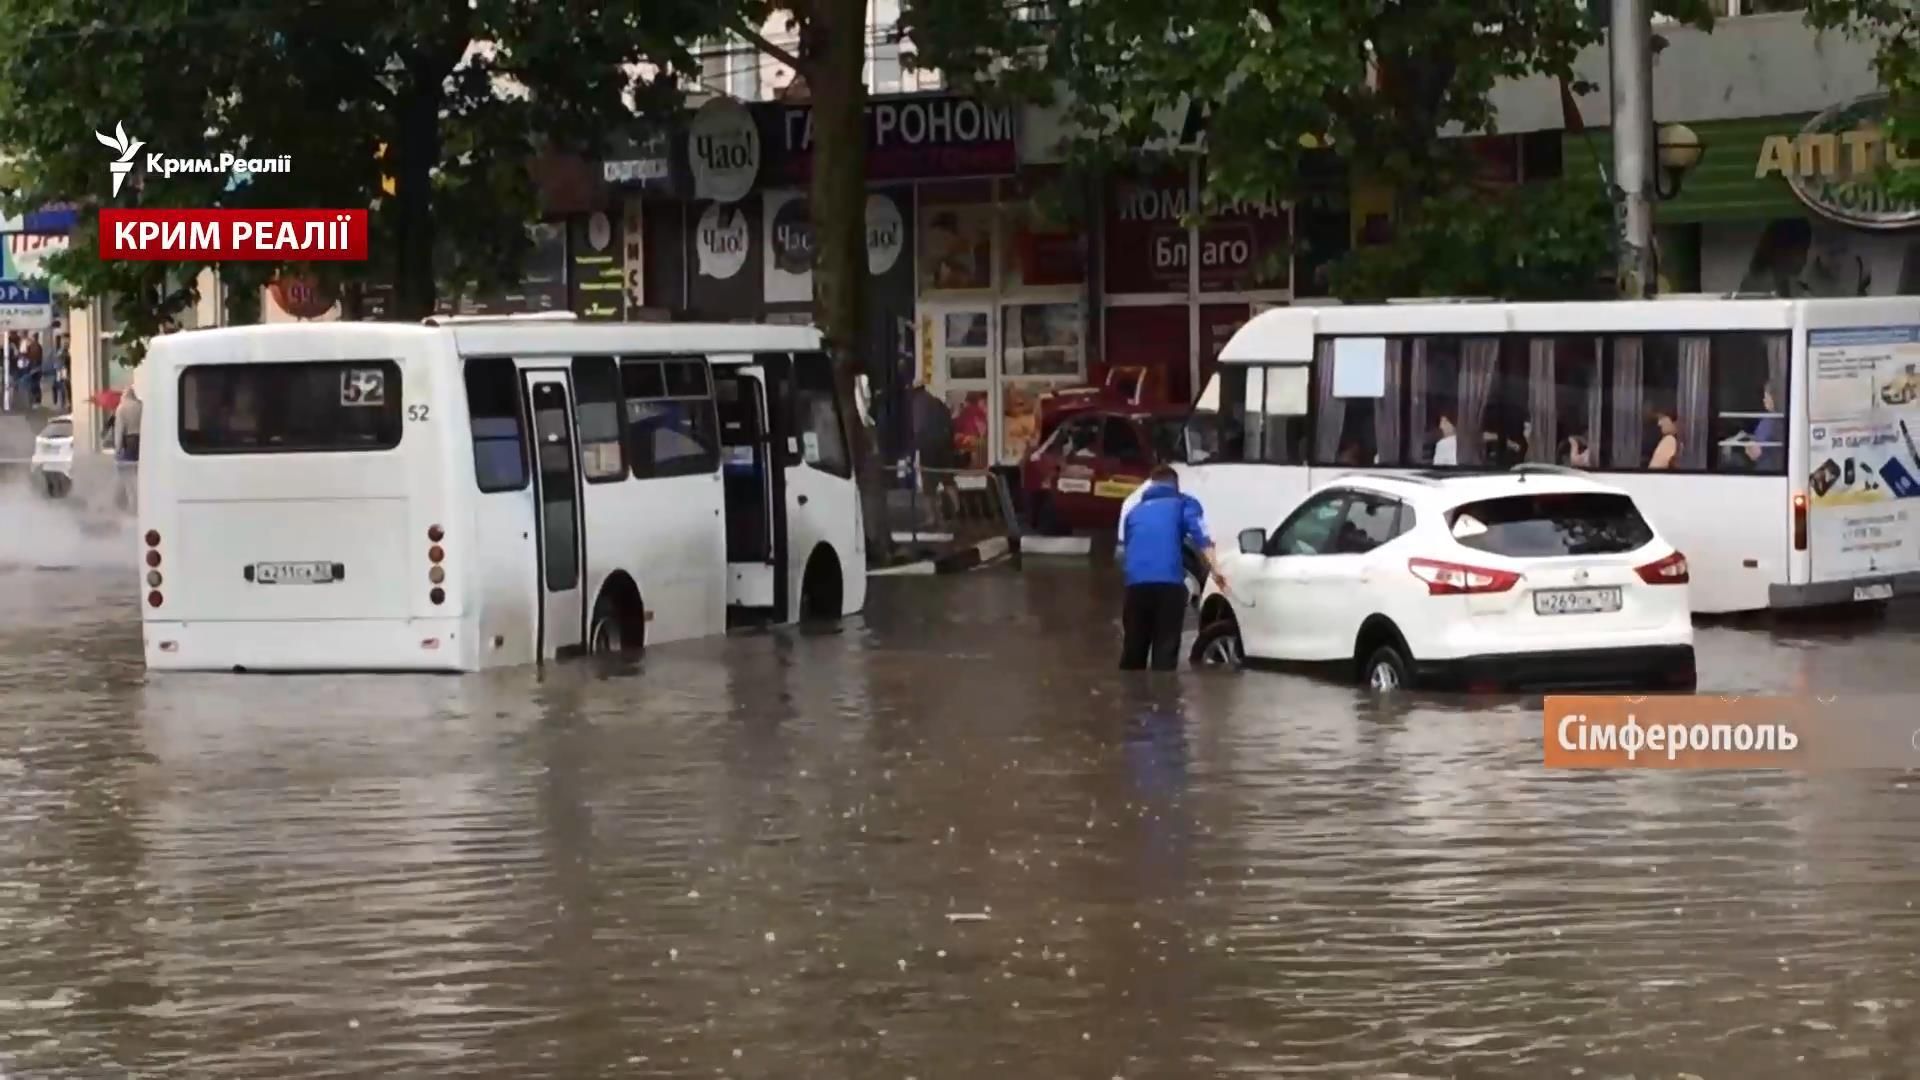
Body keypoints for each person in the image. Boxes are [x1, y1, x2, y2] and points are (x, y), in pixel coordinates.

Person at [1118, 465, 1224, 672]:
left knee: (1132, 653)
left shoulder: (1133, 512)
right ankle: (1163, 699)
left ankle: (1129, 700)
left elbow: (1126, 550)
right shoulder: (1185, 504)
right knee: (1164, 654)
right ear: (1176, 485)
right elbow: (1202, 539)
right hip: (1168, 586)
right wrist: (1217, 572)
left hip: (1135, 587)